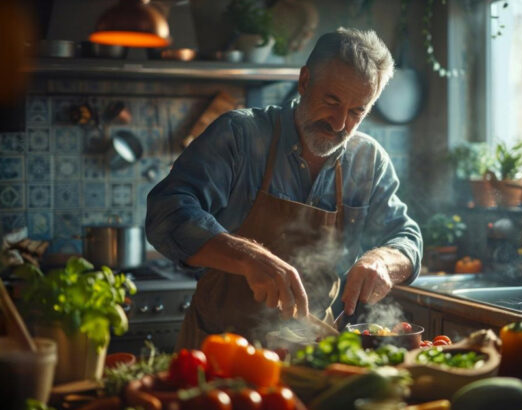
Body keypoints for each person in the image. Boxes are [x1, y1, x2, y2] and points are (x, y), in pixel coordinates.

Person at [146, 27, 422, 349]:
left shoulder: (368, 161)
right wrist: (249, 257)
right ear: (305, 81)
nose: (338, 123)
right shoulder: (240, 136)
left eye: (356, 112)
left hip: (314, 353)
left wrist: (382, 261)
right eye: (331, 101)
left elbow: (407, 237)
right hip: (221, 349)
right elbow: (166, 211)